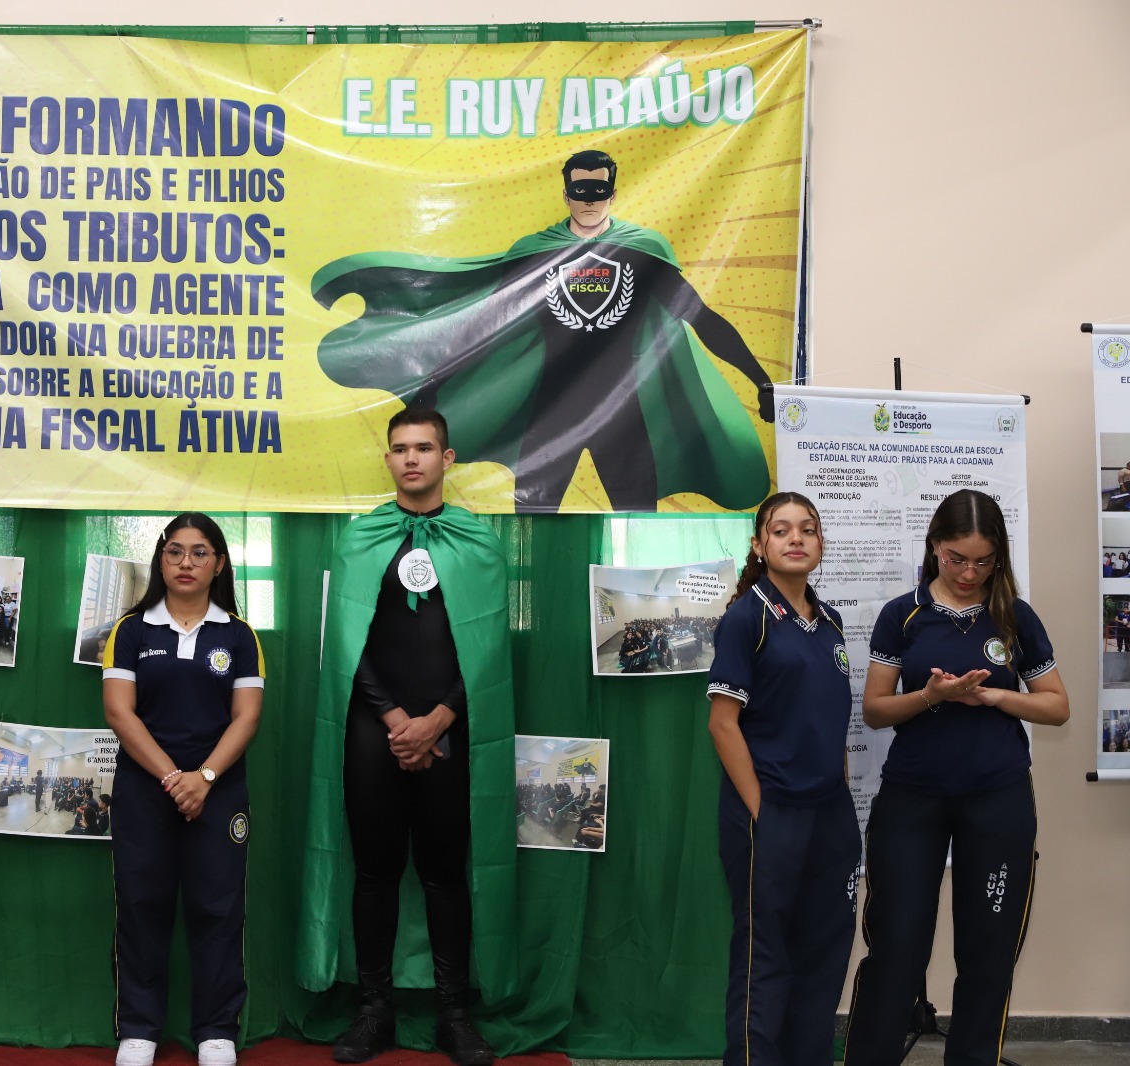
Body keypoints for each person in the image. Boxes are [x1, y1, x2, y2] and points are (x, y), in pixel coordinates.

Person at [313, 149, 774, 514]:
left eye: (599, 190)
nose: (589, 199)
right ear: (566, 193)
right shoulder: (535, 252)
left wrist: (760, 379)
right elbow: (481, 326)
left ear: (613, 193)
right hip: (550, 411)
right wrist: (429, 393)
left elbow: (701, 318)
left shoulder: (642, 250)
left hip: (623, 410)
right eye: (581, 190)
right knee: (531, 519)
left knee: (634, 517)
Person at [300, 408, 516, 1066]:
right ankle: (375, 1011)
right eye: (400, 449)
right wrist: (396, 720)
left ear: (447, 459)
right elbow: (346, 642)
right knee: (375, 871)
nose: (411, 458)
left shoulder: (478, 543)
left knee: (445, 872)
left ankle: (454, 1015)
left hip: (450, 730)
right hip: (376, 731)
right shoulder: (360, 540)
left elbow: (486, 647)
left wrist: (440, 718)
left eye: (424, 447)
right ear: (388, 459)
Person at [843, 489, 1068, 1066]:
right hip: (911, 800)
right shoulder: (902, 614)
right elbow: (875, 710)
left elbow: (1056, 706)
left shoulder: (1015, 616)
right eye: (956, 559)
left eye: (983, 561)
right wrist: (931, 696)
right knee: (896, 947)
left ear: (999, 557)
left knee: (989, 950)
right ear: (934, 547)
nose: (969, 573)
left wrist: (994, 696)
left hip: (998, 801)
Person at [102, 512, 264, 1066]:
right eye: (174, 551)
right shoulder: (131, 630)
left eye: (199, 552)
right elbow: (119, 713)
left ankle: (216, 1030)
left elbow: (246, 718)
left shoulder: (239, 635)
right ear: (160, 560)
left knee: (218, 907)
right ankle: (138, 1029)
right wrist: (174, 779)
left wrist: (205, 778)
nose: (185, 562)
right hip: (145, 790)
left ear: (219, 564)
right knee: (141, 905)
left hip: (218, 791)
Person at [705, 491, 859, 1065]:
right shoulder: (747, 617)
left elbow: (830, 719)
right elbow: (723, 725)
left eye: (808, 529)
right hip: (770, 811)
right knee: (764, 957)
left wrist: (840, 793)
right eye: (781, 529)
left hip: (829, 813)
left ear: (821, 543)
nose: (796, 538)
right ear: (759, 545)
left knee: (823, 953)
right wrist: (762, 813)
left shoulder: (830, 621)